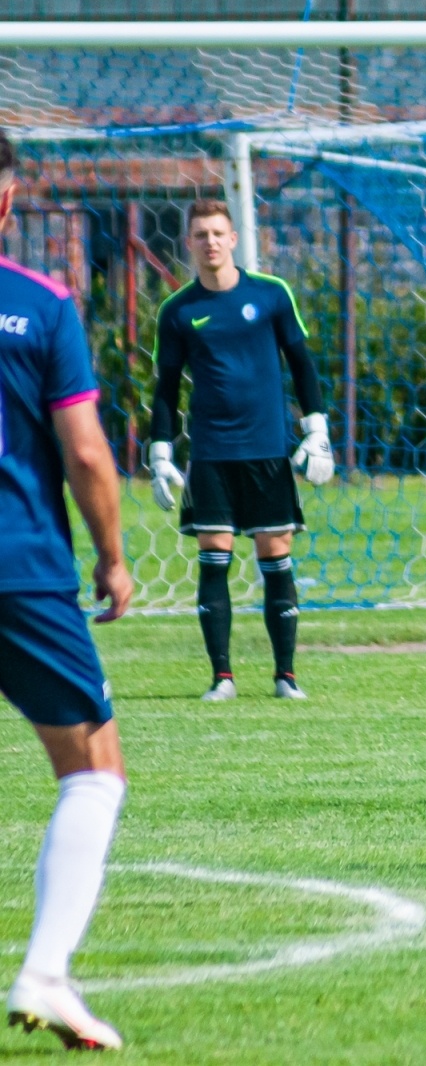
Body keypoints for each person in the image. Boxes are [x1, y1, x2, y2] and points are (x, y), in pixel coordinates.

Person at [0, 127, 133, 1050]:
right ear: (7, 201)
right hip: (20, 570)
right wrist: (113, 558)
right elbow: (86, 451)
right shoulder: (41, 305)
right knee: (94, 771)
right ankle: (45, 973)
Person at [147, 200, 333, 701]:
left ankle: (286, 676)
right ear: (188, 243)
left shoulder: (271, 295)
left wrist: (317, 430)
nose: (209, 241)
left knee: (276, 555)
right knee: (214, 557)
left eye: (217, 233)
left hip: (268, 451)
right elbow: (165, 386)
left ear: (233, 240)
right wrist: (160, 454)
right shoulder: (178, 310)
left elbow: (302, 364)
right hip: (211, 453)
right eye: (200, 234)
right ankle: (222, 678)